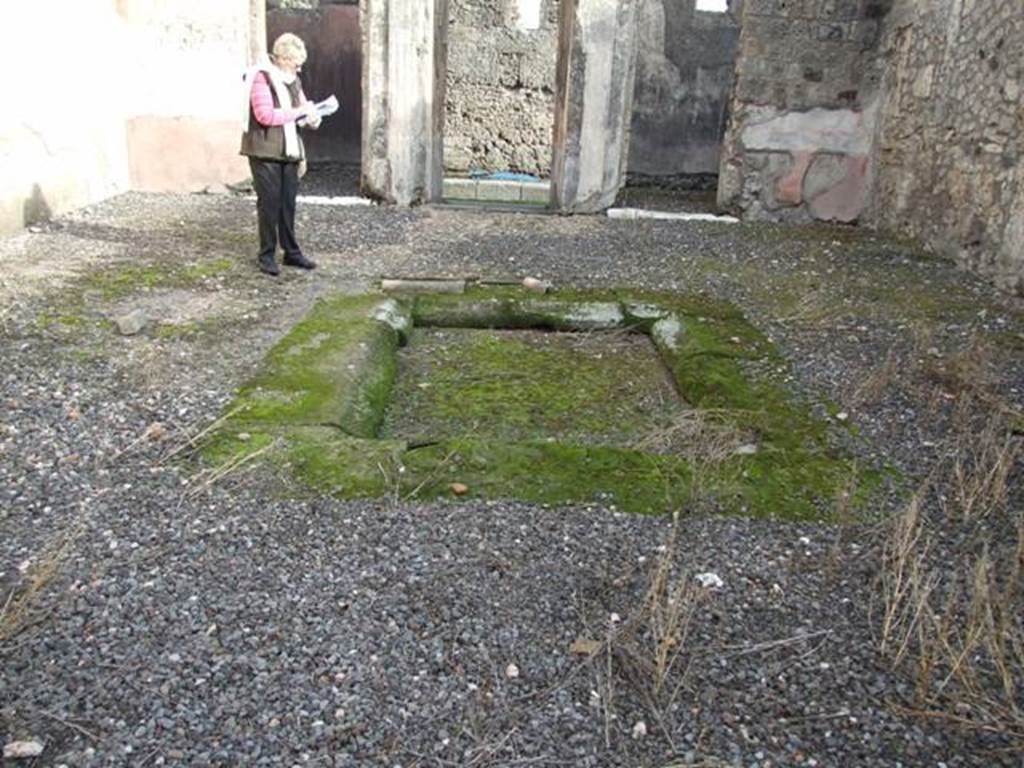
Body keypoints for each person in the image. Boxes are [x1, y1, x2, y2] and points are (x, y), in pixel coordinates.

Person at [240, 33, 321, 276]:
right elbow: (265, 115)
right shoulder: (260, 78)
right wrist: (298, 113)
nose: (299, 66)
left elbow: (302, 108)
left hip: (289, 149)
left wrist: (312, 116)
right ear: (282, 58)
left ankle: (292, 253)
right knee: (269, 204)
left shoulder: (293, 79)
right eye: (296, 61)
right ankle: (266, 255)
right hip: (265, 150)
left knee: (288, 203)